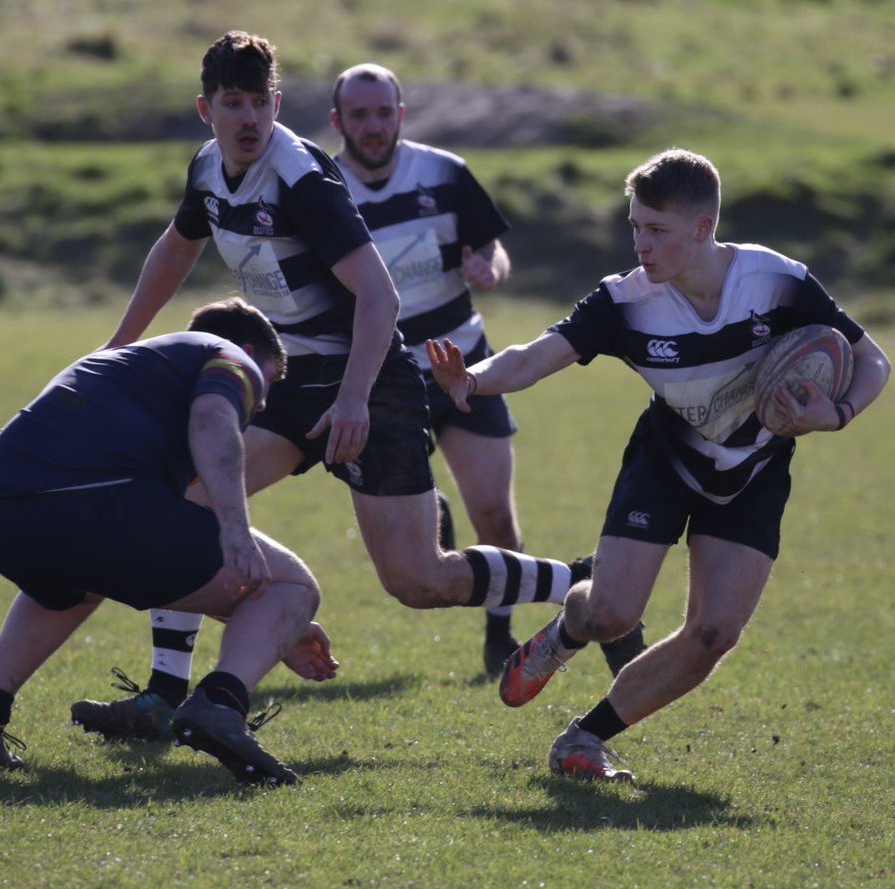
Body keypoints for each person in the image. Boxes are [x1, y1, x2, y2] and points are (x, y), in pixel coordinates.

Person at [70, 32, 597, 742]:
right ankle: (166, 694)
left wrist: (353, 398)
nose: (249, 118)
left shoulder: (300, 179)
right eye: (234, 103)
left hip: (370, 377)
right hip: (288, 375)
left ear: (278, 103)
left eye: (260, 102)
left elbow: (380, 298)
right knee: (189, 500)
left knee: (417, 580)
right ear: (207, 109)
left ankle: (584, 587)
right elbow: (177, 246)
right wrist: (120, 342)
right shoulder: (206, 168)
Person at [429, 147, 890, 782]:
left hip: (756, 469)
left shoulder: (776, 281)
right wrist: (472, 382)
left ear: (703, 229)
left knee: (713, 636)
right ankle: (568, 632)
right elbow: (535, 356)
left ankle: (583, 739)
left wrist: (834, 416)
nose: (641, 244)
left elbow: (874, 363)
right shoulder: (625, 301)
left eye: (658, 230)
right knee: (611, 615)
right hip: (667, 459)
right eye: (636, 227)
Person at [0, 299, 339, 785]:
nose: (263, 402)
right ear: (251, 350)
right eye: (269, 383)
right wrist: (237, 534)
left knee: (71, 584)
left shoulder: (132, 366)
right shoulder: (233, 358)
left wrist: (273, 628)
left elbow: (157, 565)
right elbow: (213, 419)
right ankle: (220, 706)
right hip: (95, 508)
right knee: (292, 586)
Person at [328, 62, 645, 677]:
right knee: (380, 493)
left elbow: (491, 249)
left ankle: (500, 635)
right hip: (384, 376)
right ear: (338, 120)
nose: (373, 125)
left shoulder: (444, 172)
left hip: (466, 359)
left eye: (383, 112)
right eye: (359, 115)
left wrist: (490, 271)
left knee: (495, 512)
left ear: (402, 113)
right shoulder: (323, 189)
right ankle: (433, 506)